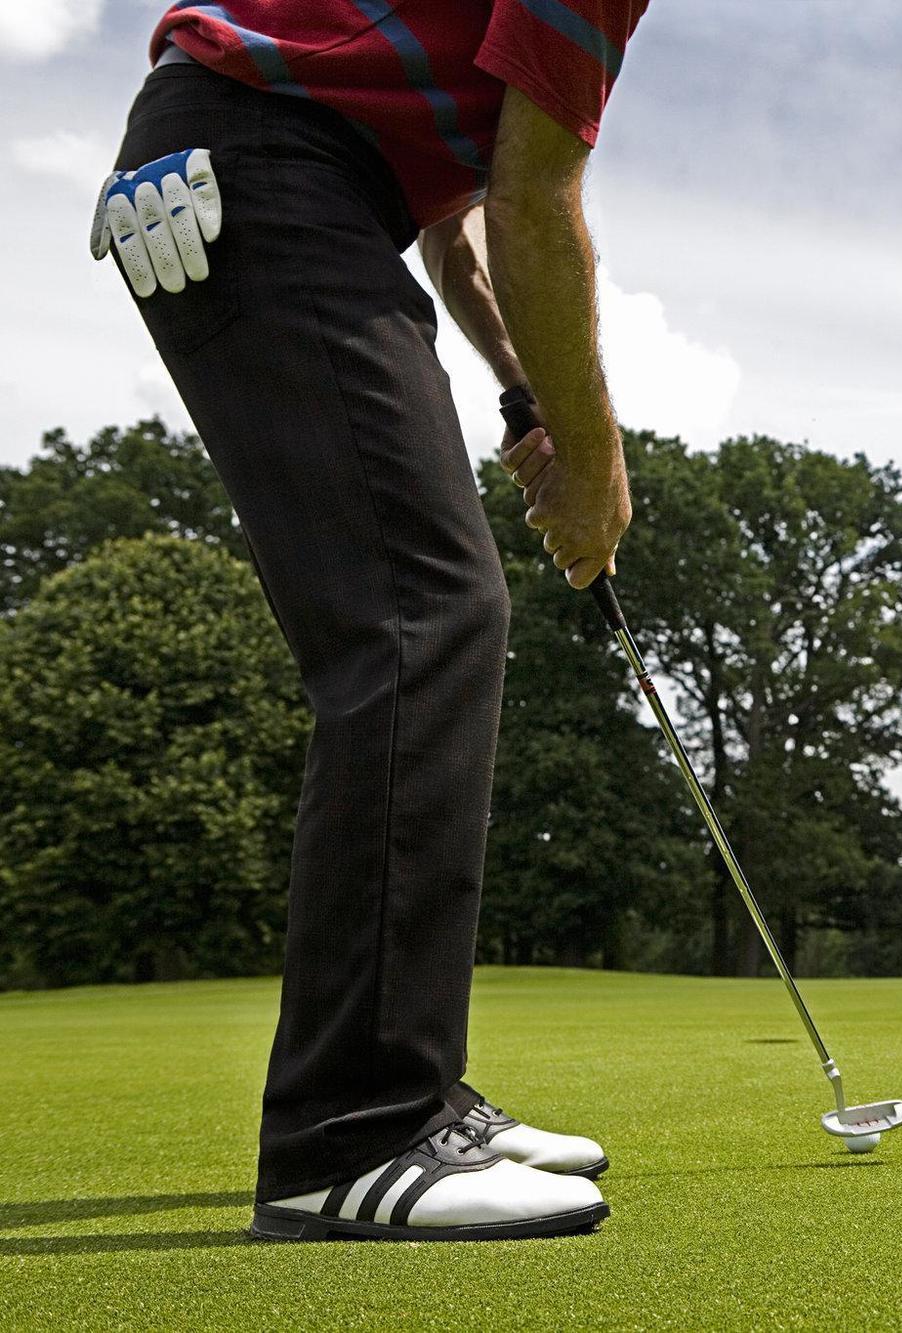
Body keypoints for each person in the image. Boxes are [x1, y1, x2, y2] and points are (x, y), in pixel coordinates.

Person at [91, 0, 647, 1241]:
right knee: (421, 612)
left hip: (270, 161)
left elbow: (453, 219)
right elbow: (532, 207)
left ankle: (413, 1094)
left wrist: (525, 393)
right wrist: (599, 460)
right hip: (268, 161)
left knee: (426, 608)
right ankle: (352, 1132)